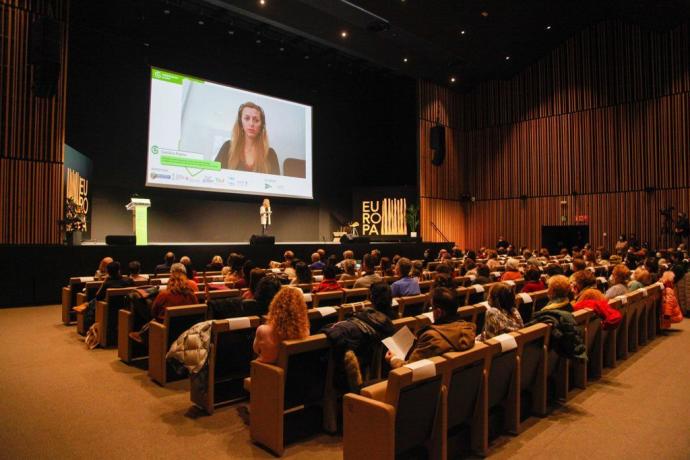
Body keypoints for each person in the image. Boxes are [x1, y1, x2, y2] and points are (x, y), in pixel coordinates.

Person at [386, 287, 476, 368]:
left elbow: (409, 370)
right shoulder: (469, 328)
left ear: (439, 312)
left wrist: (393, 359)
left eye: (431, 308)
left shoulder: (431, 337)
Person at [128, 263, 197, 344]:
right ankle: (143, 333)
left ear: (170, 281)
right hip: (187, 330)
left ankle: (143, 334)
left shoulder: (164, 295)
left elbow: (153, 313)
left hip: (167, 331)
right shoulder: (192, 295)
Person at [214, 102, 280, 175]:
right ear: (241, 123)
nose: (251, 123)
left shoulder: (270, 154)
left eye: (256, 120)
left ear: (261, 126)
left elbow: (276, 184)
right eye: (247, 118)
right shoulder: (228, 147)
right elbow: (213, 175)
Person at [253, 287, 310, 363]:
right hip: (291, 372)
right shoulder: (305, 331)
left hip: (267, 371)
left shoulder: (263, 330)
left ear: (275, 305)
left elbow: (256, 350)